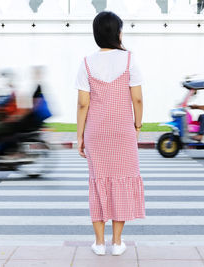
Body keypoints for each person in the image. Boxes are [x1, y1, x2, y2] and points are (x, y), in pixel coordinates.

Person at [75, 11, 145, 256]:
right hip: (123, 131)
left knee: (98, 182)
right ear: (118, 33)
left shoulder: (86, 63)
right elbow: (136, 97)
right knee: (121, 182)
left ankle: (99, 243)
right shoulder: (129, 60)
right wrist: (137, 125)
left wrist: (79, 136)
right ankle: (117, 242)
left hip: (96, 131)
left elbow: (83, 104)